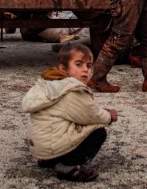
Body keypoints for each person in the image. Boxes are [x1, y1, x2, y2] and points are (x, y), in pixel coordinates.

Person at [21, 43, 117, 182]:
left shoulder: (51, 83)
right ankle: (68, 166)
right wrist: (109, 116)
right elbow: (91, 115)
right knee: (98, 132)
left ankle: (49, 160)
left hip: (40, 148)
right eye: (79, 64)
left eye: (89, 66)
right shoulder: (72, 90)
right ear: (63, 68)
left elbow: (77, 112)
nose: (85, 70)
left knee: (63, 123)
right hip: (52, 146)